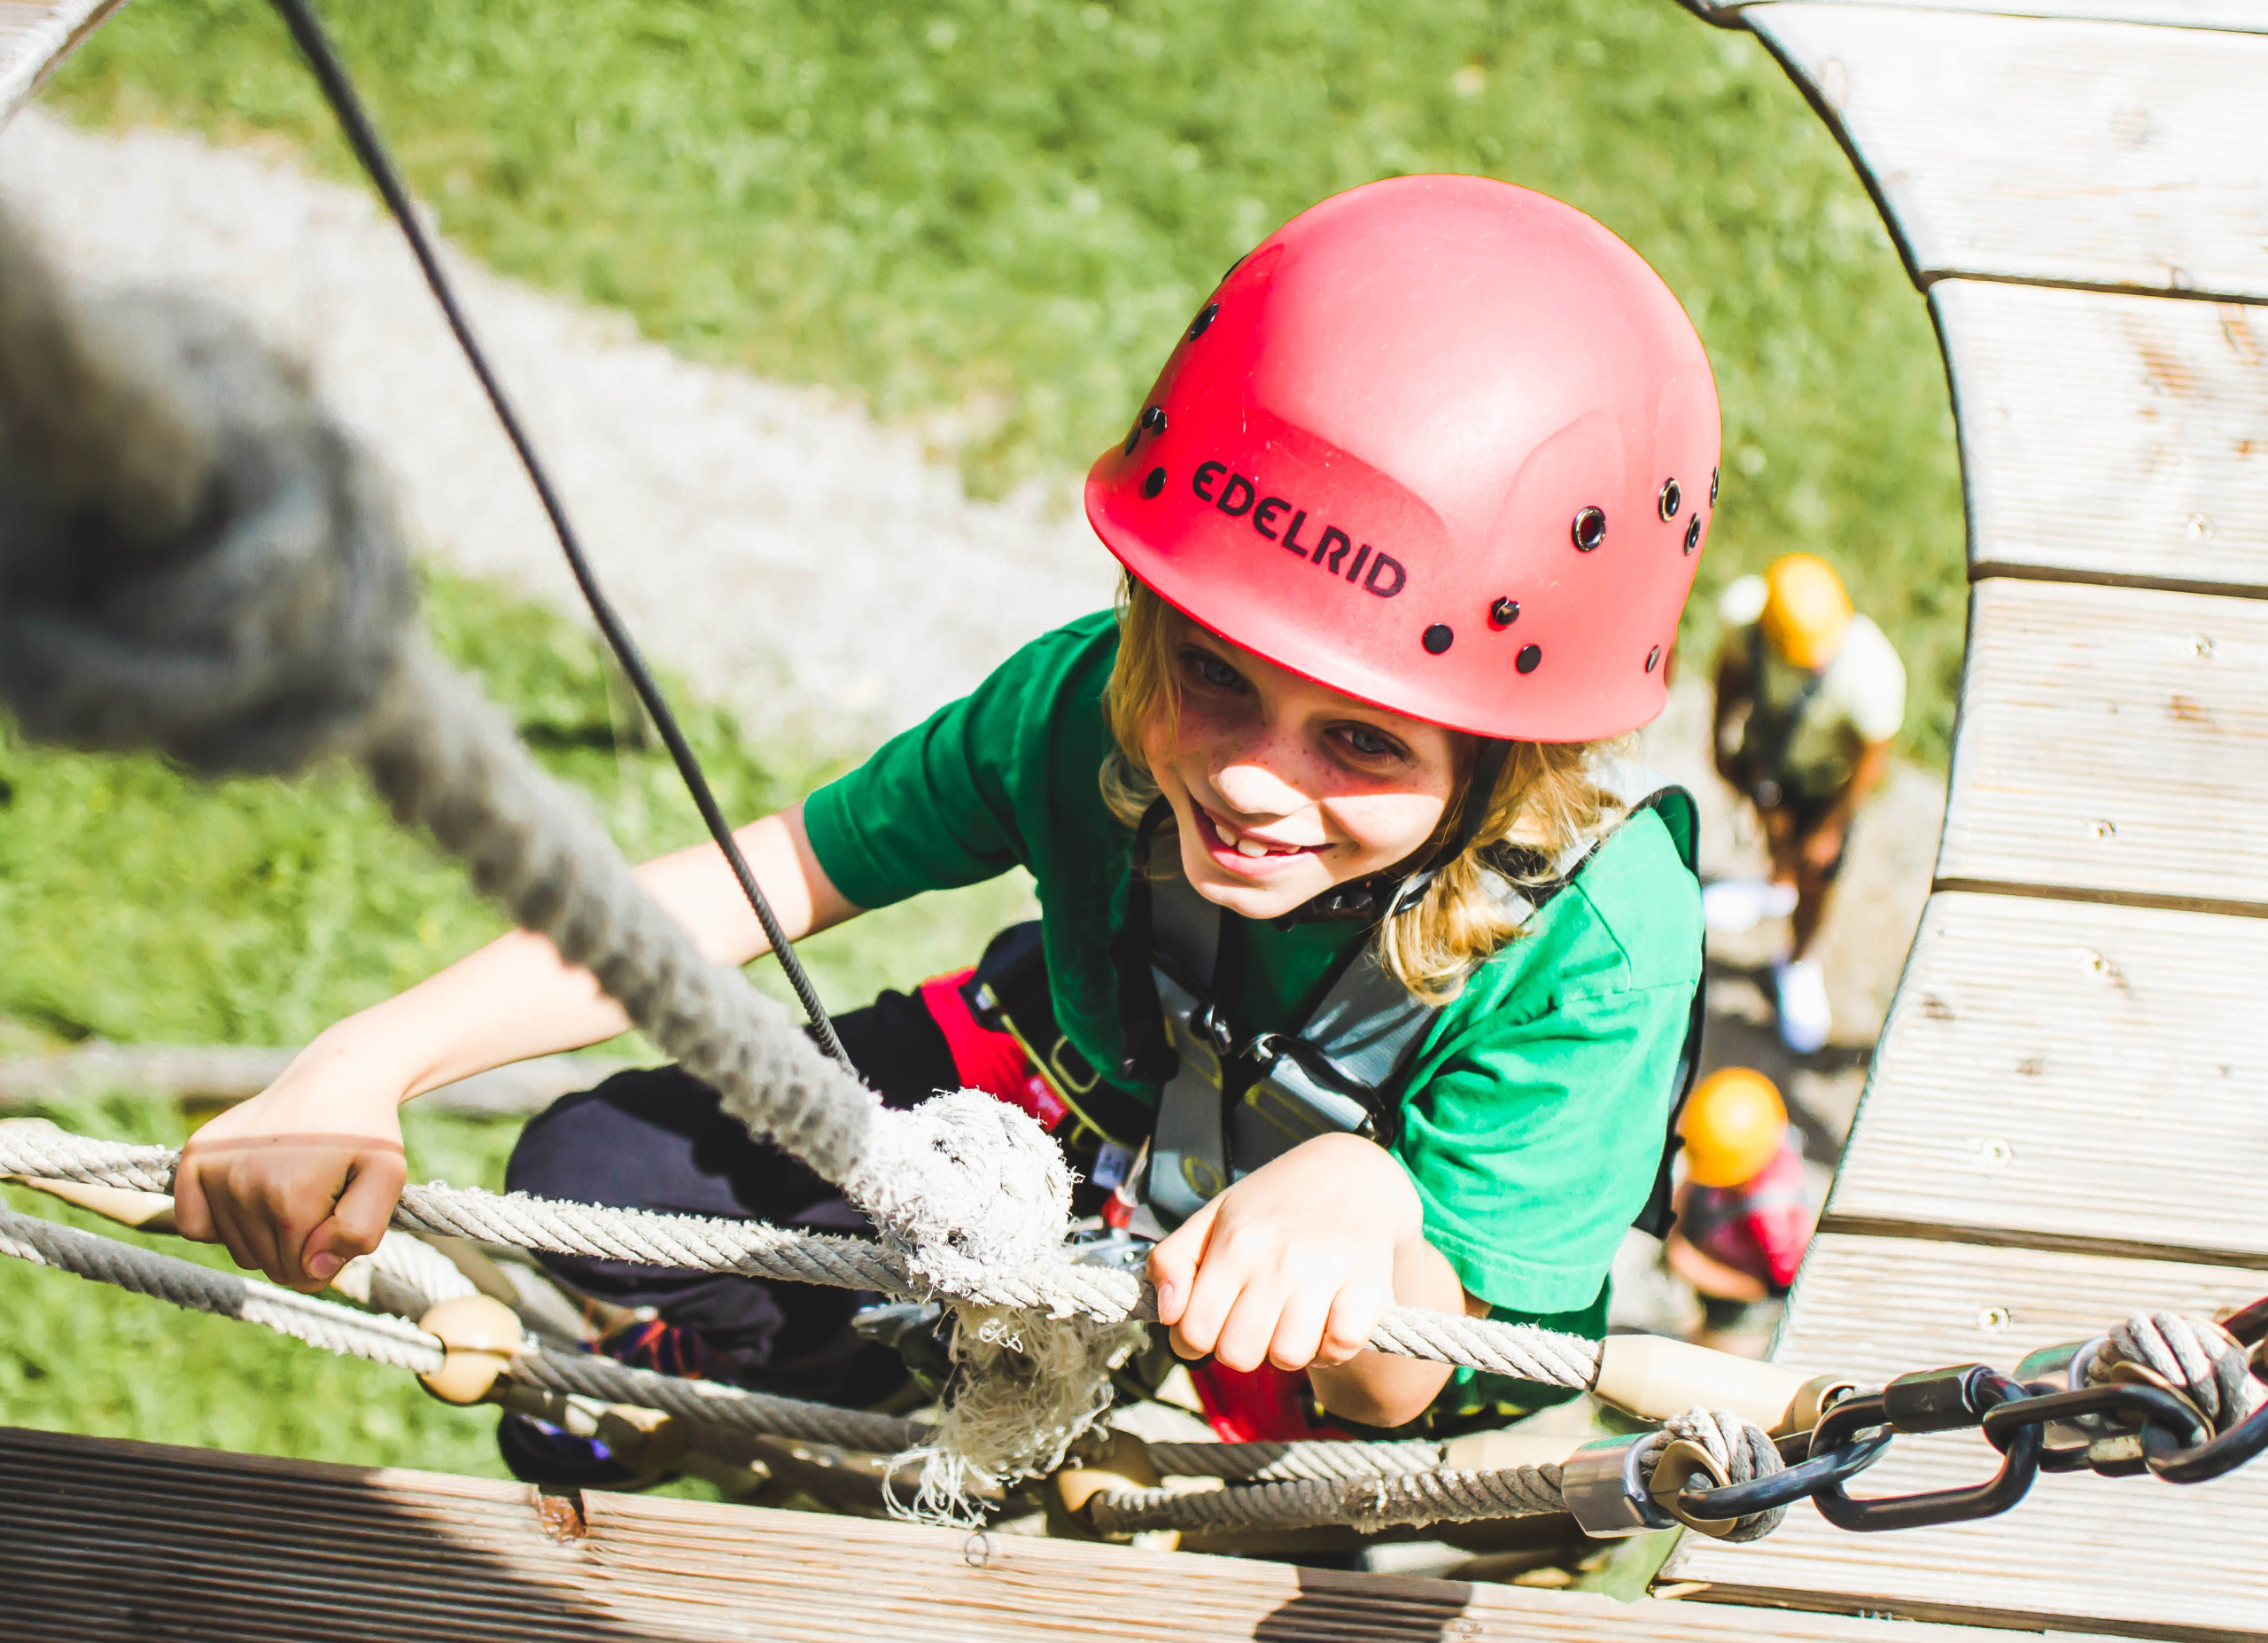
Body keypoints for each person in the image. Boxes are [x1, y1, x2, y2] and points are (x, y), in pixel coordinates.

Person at [170, 175, 1718, 1481]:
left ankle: (1030, 1375)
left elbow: (1399, 1392)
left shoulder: (1594, 936)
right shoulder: (1082, 710)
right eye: (1211, 672)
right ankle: (837, 1362)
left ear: (1520, 751)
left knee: (1305, 1486)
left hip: (1351, 1315)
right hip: (1070, 1098)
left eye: (1362, 740)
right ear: (1153, 608)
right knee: (593, 1162)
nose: (1251, 778)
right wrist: (366, 1058)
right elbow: (766, 877)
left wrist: (1364, 1205)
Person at [1707, 554, 1906, 1053]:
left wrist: (1832, 826)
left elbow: (1871, 758)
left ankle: (1798, 960)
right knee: (1773, 834)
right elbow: (1729, 674)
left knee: (1819, 875)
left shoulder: (1871, 672)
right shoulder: (1748, 620)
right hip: (1771, 760)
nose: (1818, 660)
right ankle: (1776, 886)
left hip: (1826, 785)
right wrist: (1719, 741)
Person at [1662, 1067, 1814, 1351]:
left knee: (1714, 1349)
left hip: (1740, 1309)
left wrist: (1694, 1267)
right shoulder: (1760, 1131)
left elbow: (1771, 1289)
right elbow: (1700, 1171)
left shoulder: (1773, 1222)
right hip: (1719, 1235)